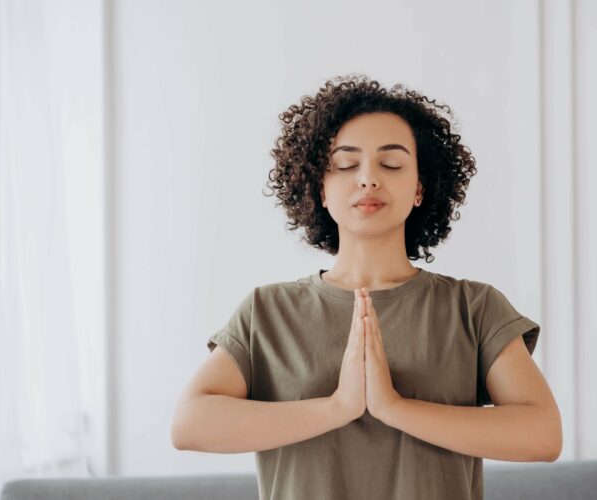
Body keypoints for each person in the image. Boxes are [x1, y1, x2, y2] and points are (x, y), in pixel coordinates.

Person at [171, 74, 562, 500]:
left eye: (391, 164)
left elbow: (542, 434)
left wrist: (394, 407)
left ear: (419, 188)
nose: (368, 179)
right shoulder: (267, 311)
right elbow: (189, 424)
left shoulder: (473, 307)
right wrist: (338, 407)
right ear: (320, 188)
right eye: (345, 165)